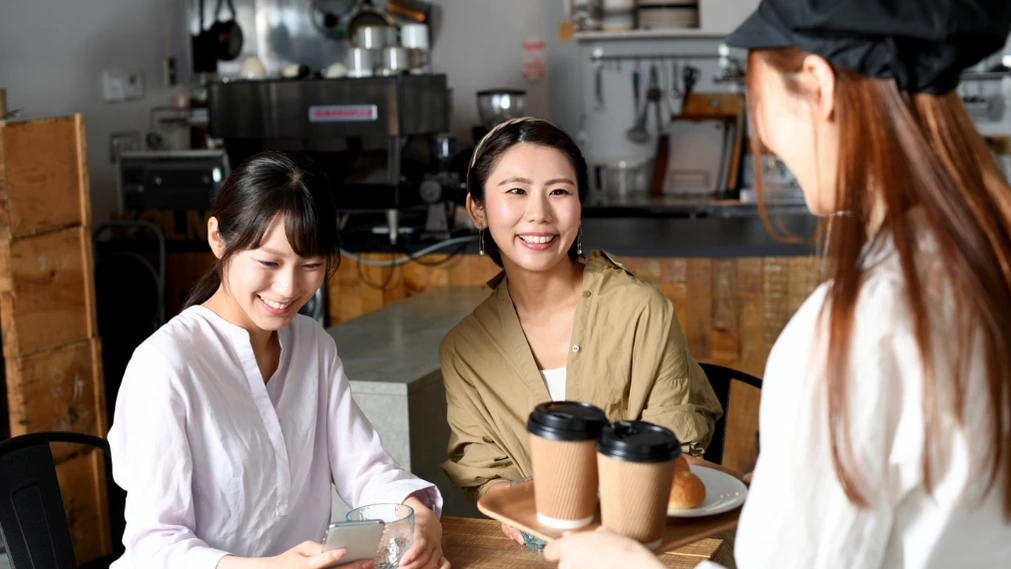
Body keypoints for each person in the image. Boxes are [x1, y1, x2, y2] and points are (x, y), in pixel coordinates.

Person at [544, 1, 1011, 568]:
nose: (762, 133)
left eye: (756, 98)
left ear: (819, 85)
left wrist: (622, 563)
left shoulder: (858, 328)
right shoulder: (987, 264)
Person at [108, 151, 450, 569]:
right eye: (269, 262)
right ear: (218, 238)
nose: (288, 288)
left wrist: (415, 513)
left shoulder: (312, 344)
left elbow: (364, 468)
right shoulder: (164, 365)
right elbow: (154, 544)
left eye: (311, 265)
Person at [439, 117, 723, 544]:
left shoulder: (640, 311)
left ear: (580, 205)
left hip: (648, 543)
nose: (539, 213)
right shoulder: (463, 349)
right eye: (516, 191)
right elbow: (485, 472)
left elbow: (678, 447)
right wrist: (509, 504)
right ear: (477, 209)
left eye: (559, 191)